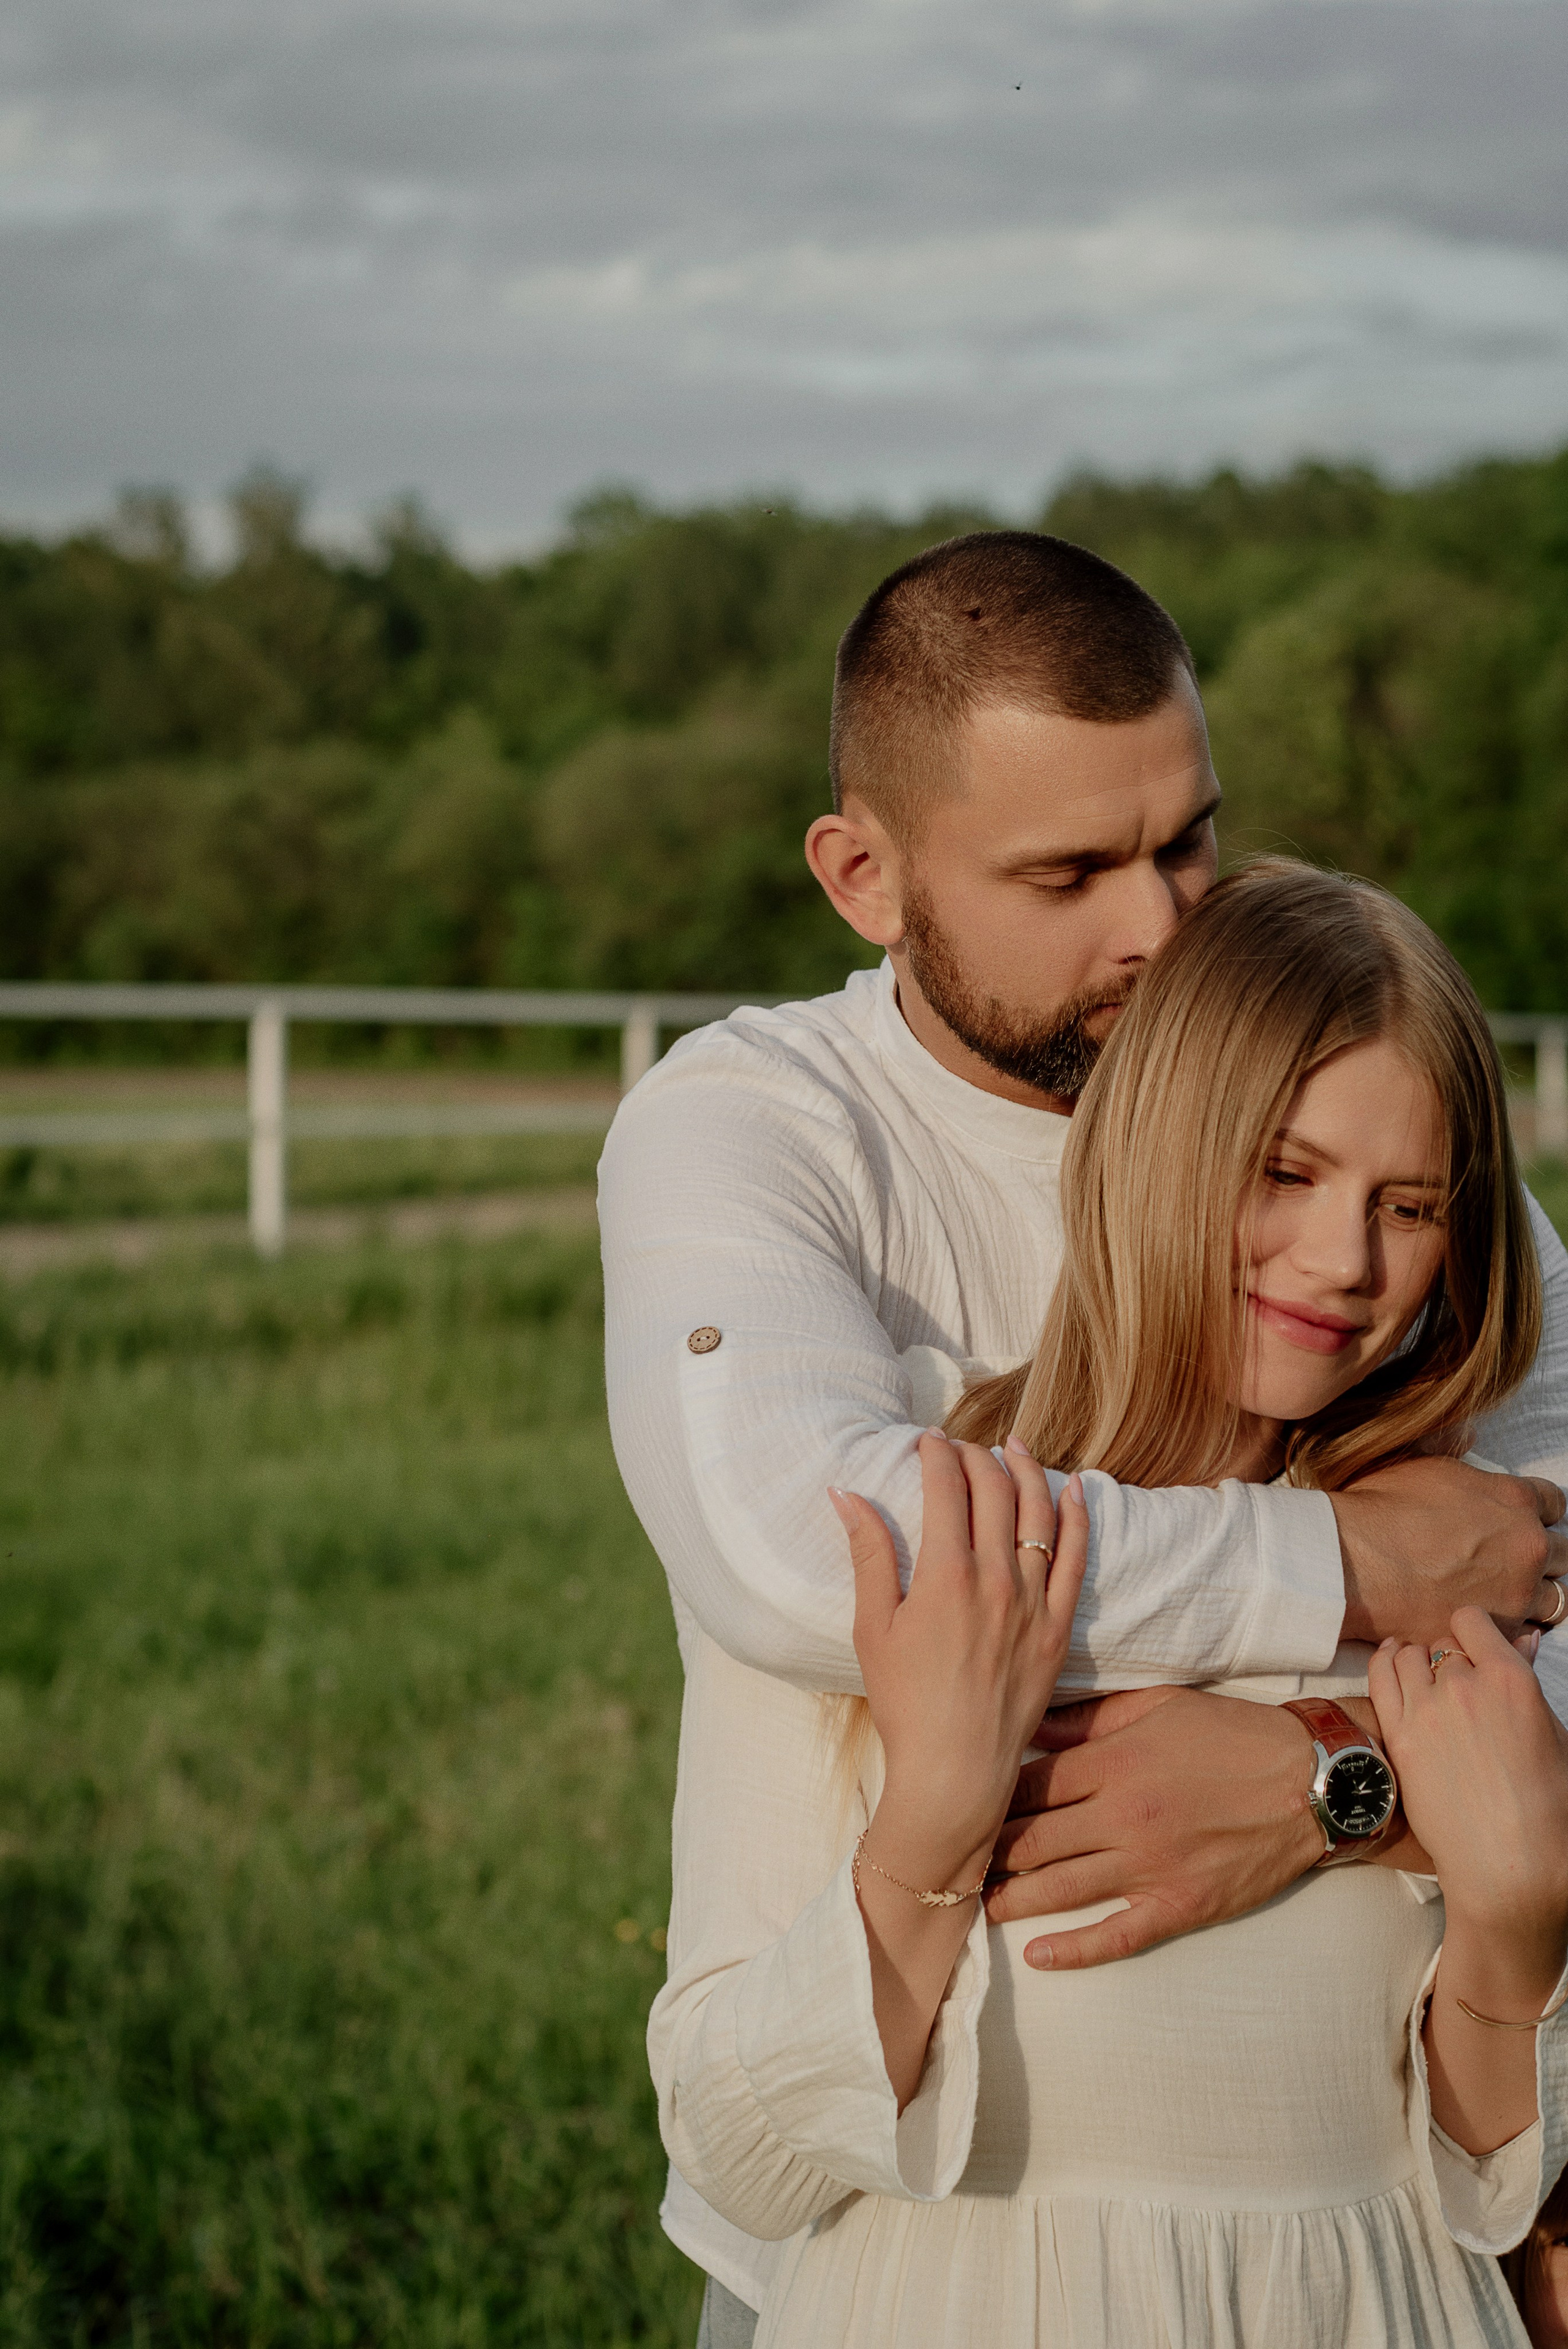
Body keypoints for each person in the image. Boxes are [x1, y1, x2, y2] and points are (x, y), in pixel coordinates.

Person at [597, 531, 1568, 2332]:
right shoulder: (765, 1126)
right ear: (864, 874)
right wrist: (1356, 1564)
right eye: (1072, 871)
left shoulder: (1369, 1155)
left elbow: (1550, 1583)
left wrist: (1339, 1777)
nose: (1165, 925)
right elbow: (809, 1558)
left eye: (1189, 837)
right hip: (894, 2254)